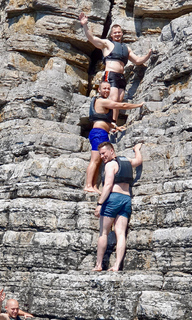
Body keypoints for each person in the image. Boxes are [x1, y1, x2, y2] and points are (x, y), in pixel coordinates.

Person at [79, 12, 152, 129]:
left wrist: (148, 55)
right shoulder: (107, 44)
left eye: (119, 32)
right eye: (115, 33)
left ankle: (114, 122)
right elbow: (92, 39)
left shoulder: (126, 48)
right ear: (111, 35)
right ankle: (111, 123)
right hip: (110, 75)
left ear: (122, 34)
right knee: (112, 100)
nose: (117, 34)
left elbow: (137, 60)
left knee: (118, 100)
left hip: (121, 78)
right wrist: (85, 25)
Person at [84, 81, 143, 193]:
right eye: (104, 88)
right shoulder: (101, 101)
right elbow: (122, 105)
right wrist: (138, 105)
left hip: (103, 133)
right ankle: (88, 185)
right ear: (99, 90)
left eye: (108, 88)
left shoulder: (101, 103)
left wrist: (115, 126)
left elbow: (103, 118)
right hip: (98, 133)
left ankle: (94, 186)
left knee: (100, 161)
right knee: (95, 160)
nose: (106, 90)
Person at [92, 142, 143, 272]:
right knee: (121, 234)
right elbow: (138, 161)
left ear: (112, 151)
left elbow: (108, 185)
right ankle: (117, 266)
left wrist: (99, 204)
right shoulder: (126, 161)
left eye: (104, 153)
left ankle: (98, 265)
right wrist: (137, 149)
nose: (102, 156)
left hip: (113, 199)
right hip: (126, 199)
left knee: (103, 233)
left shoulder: (110, 165)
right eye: (101, 154)